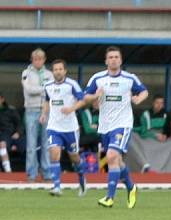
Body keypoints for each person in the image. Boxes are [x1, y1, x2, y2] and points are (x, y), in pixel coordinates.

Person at [82, 46, 148, 209]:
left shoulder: (129, 78)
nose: (113, 59)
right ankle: (131, 187)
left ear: (121, 60)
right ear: (106, 60)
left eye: (116, 57)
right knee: (116, 160)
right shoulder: (97, 78)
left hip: (123, 124)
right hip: (105, 126)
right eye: (110, 57)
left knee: (111, 156)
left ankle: (109, 197)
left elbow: (144, 91)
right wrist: (95, 96)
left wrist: (138, 99)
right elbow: (85, 97)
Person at [40, 59, 86, 197]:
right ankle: (57, 186)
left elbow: (82, 100)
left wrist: (71, 108)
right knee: (54, 154)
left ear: (65, 71)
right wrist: (44, 114)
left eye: (60, 69)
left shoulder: (72, 84)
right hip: (54, 126)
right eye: (55, 69)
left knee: (75, 158)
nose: (58, 71)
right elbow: (47, 101)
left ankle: (82, 179)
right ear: (52, 71)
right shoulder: (47, 85)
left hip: (70, 128)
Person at [21, 48, 54, 183]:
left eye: (40, 59)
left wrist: (44, 90)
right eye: (35, 59)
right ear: (32, 60)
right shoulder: (26, 73)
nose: (38, 61)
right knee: (31, 144)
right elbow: (28, 90)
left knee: (47, 144)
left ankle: (47, 173)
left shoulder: (49, 74)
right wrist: (44, 89)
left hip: (46, 110)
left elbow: (52, 91)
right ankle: (31, 174)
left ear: (44, 60)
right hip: (31, 110)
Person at [129, 95, 171, 173]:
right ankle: (145, 167)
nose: (159, 105)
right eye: (157, 103)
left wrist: (165, 136)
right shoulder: (146, 114)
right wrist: (155, 135)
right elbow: (143, 132)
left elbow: (167, 130)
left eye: (161, 103)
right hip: (148, 137)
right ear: (153, 103)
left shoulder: (166, 114)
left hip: (161, 139)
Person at [0, 93, 23, 173]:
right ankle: (7, 170)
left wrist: (18, 133)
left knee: (2, 143)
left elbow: (19, 123)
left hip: (12, 134)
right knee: (2, 143)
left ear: (2, 99)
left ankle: (8, 170)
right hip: (3, 135)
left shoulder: (11, 110)